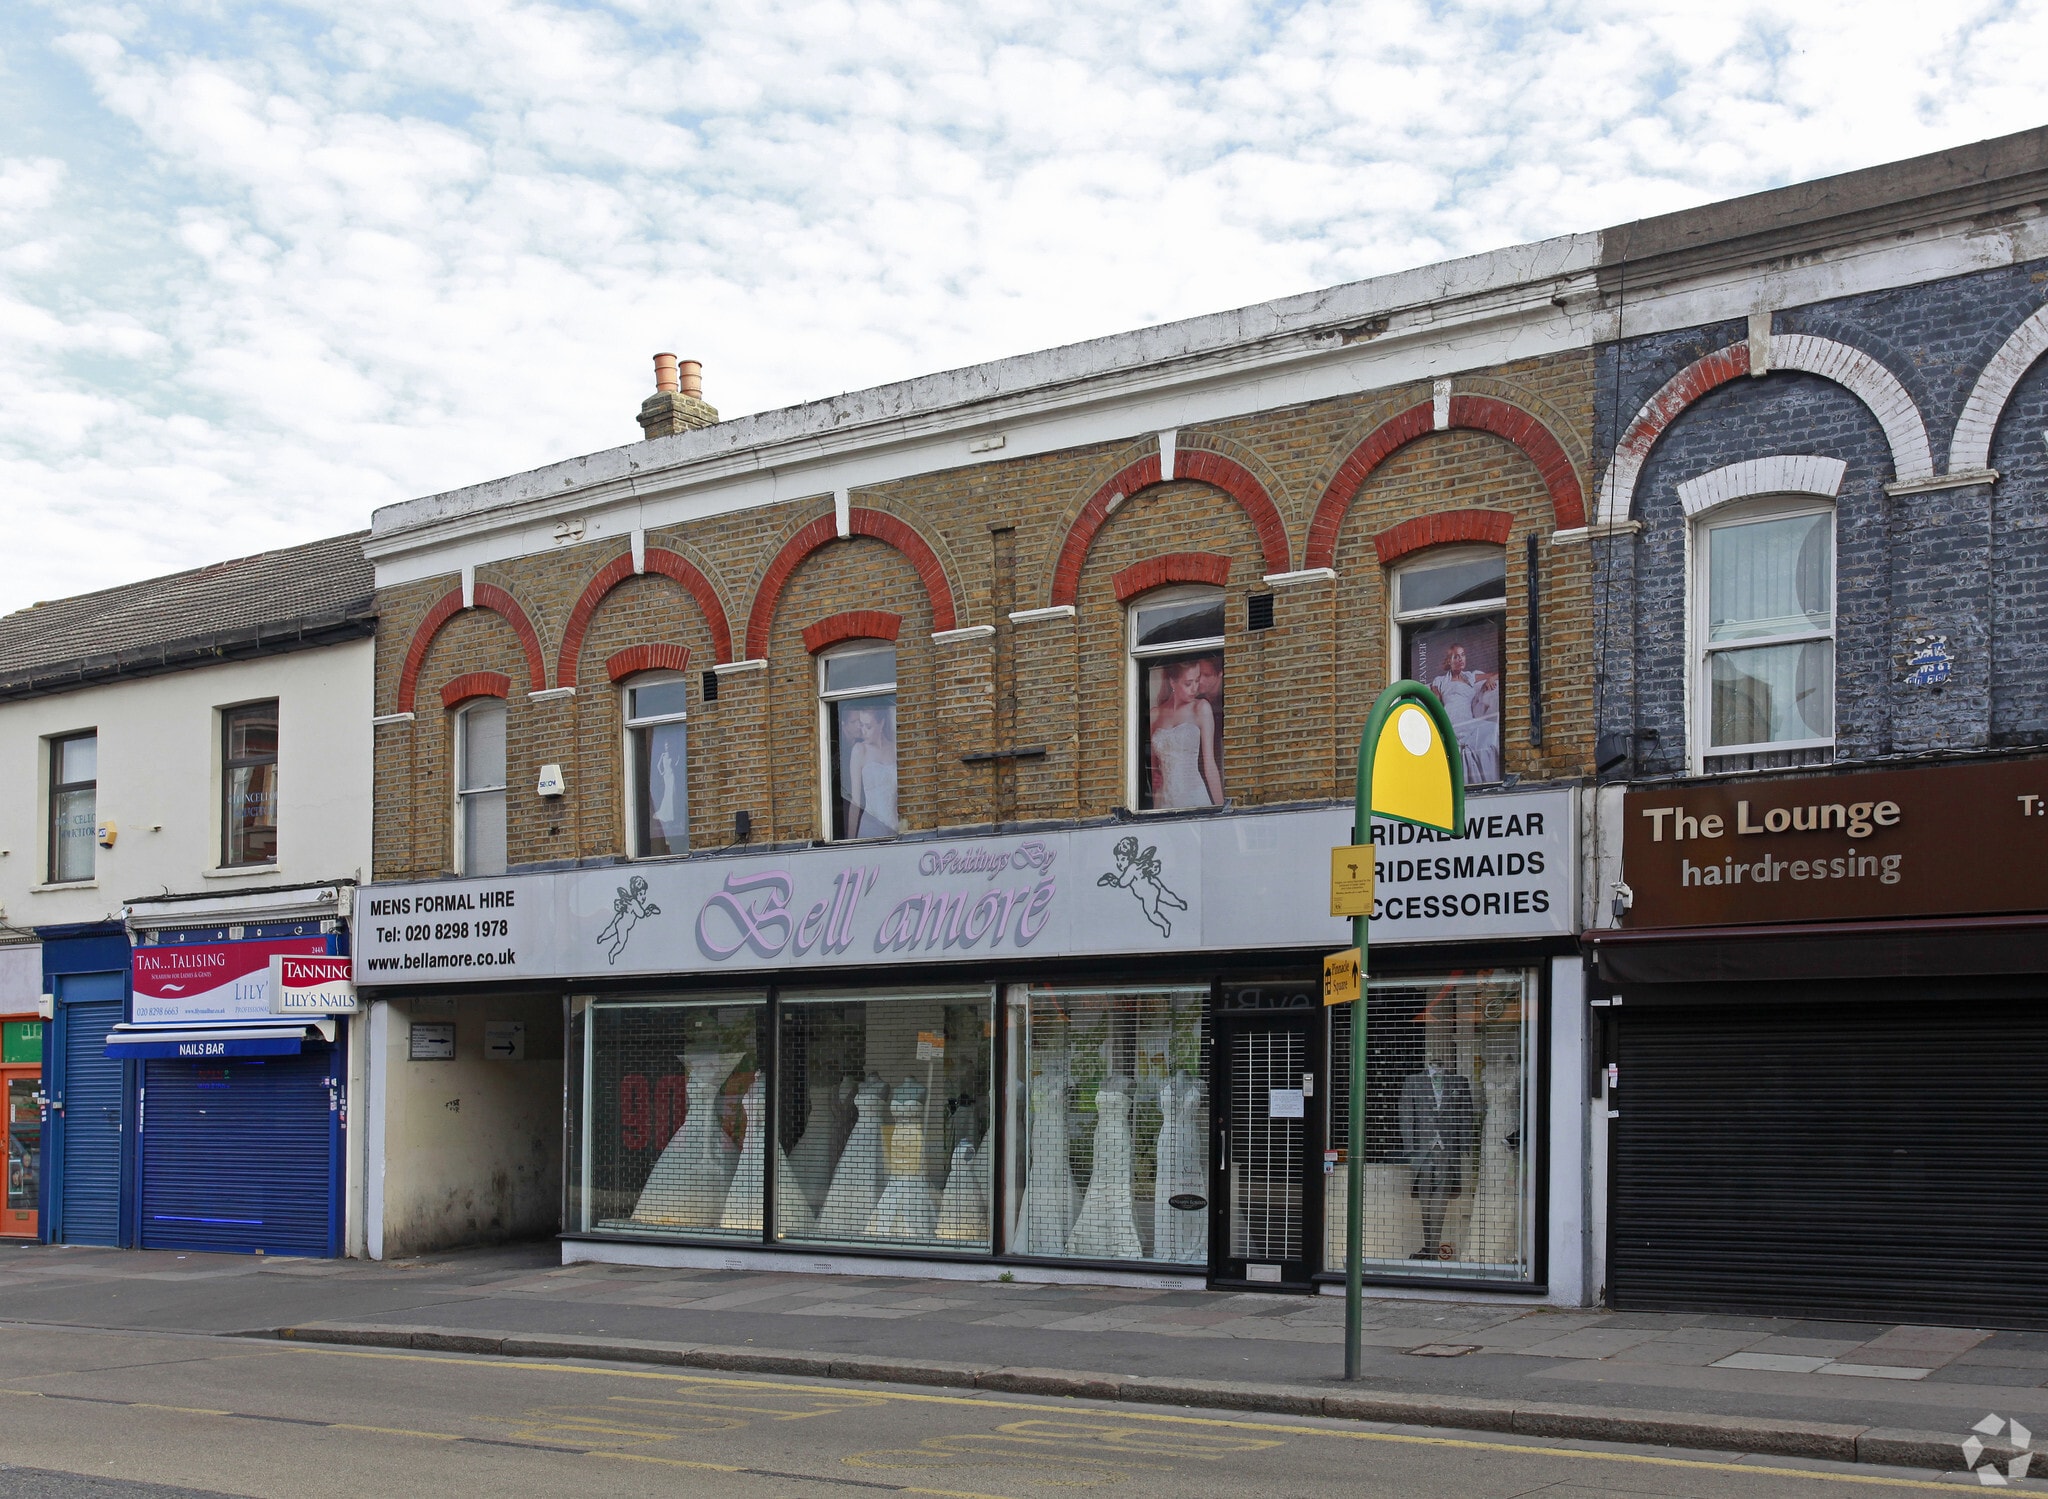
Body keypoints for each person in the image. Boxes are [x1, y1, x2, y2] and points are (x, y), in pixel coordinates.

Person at [1147, 659, 1223, 807]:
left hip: (1193, 796)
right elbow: (1154, 769)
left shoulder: (1201, 708)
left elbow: (1210, 765)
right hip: (1164, 801)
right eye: (1188, 683)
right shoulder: (1155, 714)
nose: (1194, 688)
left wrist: (1223, 809)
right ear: (1172, 682)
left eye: (1196, 681)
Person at [1430, 643, 1500, 784]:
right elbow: (1435, 706)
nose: (1460, 659)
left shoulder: (1471, 676)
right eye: (1456, 656)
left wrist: (1491, 679)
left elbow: (1499, 673)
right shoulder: (1440, 681)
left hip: (1468, 720)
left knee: (1493, 730)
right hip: (1451, 720)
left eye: (1462, 655)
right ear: (1449, 661)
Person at [845, 704, 899, 838]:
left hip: (896, 826)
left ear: (881, 724)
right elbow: (855, 801)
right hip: (871, 826)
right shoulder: (859, 750)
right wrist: (851, 841)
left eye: (868, 726)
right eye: (861, 725)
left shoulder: (895, 749)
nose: (863, 731)